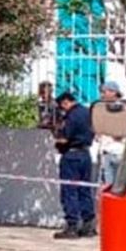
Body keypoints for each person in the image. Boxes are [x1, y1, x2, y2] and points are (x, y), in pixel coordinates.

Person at [53, 90, 95, 239]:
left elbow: (65, 138)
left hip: (72, 156)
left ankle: (72, 226)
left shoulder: (71, 116)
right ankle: (88, 226)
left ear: (66, 102)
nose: (62, 110)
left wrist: (56, 139)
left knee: (69, 190)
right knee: (85, 190)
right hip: (86, 155)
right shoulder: (87, 112)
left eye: (62, 107)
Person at [92, 80, 126, 188]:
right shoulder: (100, 108)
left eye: (105, 92)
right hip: (106, 151)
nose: (102, 95)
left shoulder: (124, 108)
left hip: (119, 151)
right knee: (106, 185)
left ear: (113, 92)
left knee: (117, 185)